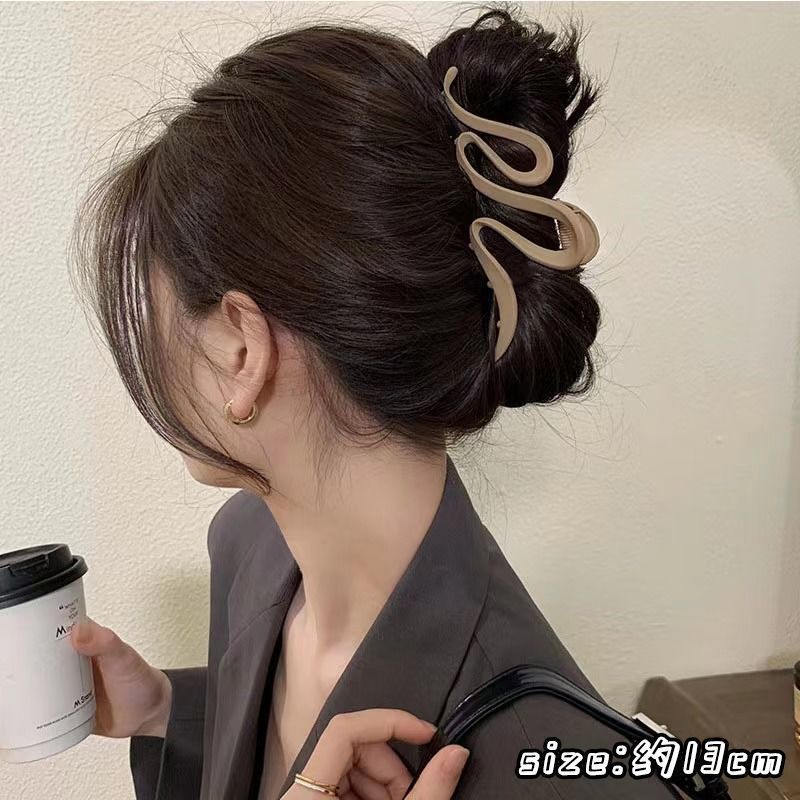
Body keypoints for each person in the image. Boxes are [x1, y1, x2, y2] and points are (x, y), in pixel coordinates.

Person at [68, 6, 677, 799]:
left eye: (156, 314)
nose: (150, 353)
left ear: (240, 349)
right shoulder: (251, 544)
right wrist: (167, 712)